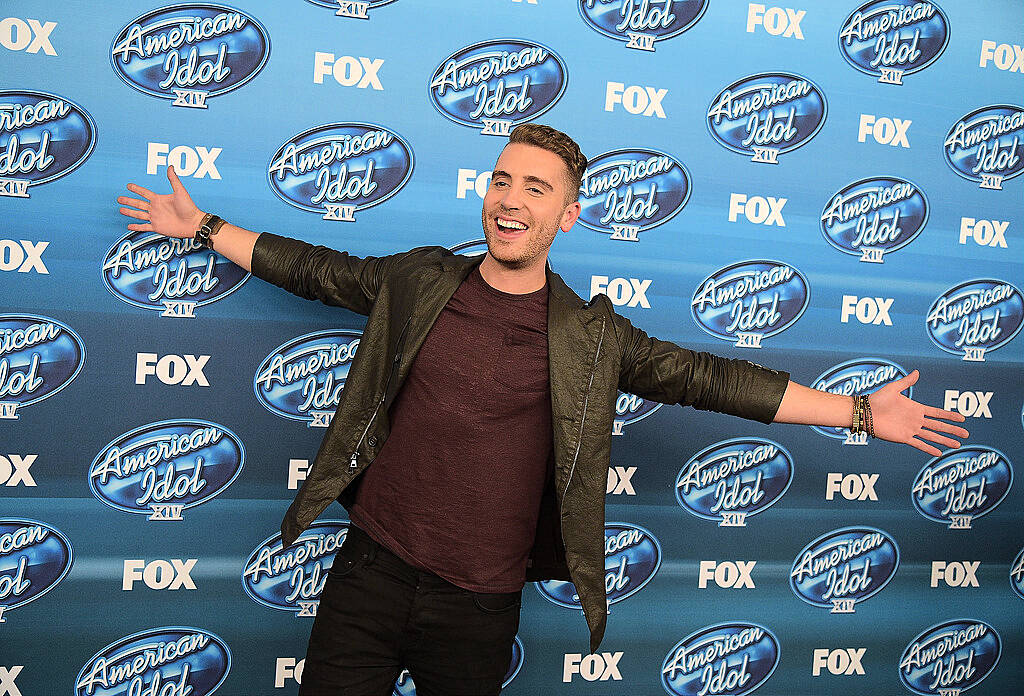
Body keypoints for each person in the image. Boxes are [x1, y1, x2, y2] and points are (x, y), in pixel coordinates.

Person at [117, 124, 968, 696]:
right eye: (500, 180)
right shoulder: (418, 281)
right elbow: (317, 268)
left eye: (535, 186)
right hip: (368, 575)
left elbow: (709, 378)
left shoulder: (592, 336)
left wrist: (858, 412)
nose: (509, 198)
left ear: (568, 213)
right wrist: (203, 228)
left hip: (479, 605)